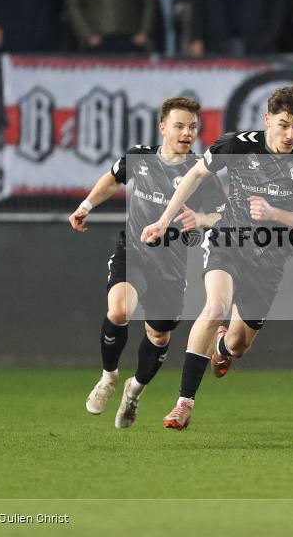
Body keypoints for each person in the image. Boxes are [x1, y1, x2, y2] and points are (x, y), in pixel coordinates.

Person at [142, 86, 293, 430]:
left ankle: (222, 347)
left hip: (270, 259)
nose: (290, 134)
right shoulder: (237, 145)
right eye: (284, 124)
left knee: (239, 345)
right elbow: (195, 174)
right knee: (215, 307)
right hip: (227, 241)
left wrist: (276, 214)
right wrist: (163, 219)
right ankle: (184, 403)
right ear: (267, 119)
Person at [68, 97, 226, 430]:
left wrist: (202, 218)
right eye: (180, 126)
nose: (187, 133)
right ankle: (108, 377)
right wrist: (86, 205)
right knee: (119, 310)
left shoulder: (200, 172)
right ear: (163, 128)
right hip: (135, 252)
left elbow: (222, 214)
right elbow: (112, 178)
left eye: (193, 127)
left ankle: (133, 392)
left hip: (171, 265)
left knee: (159, 335)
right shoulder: (140, 158)